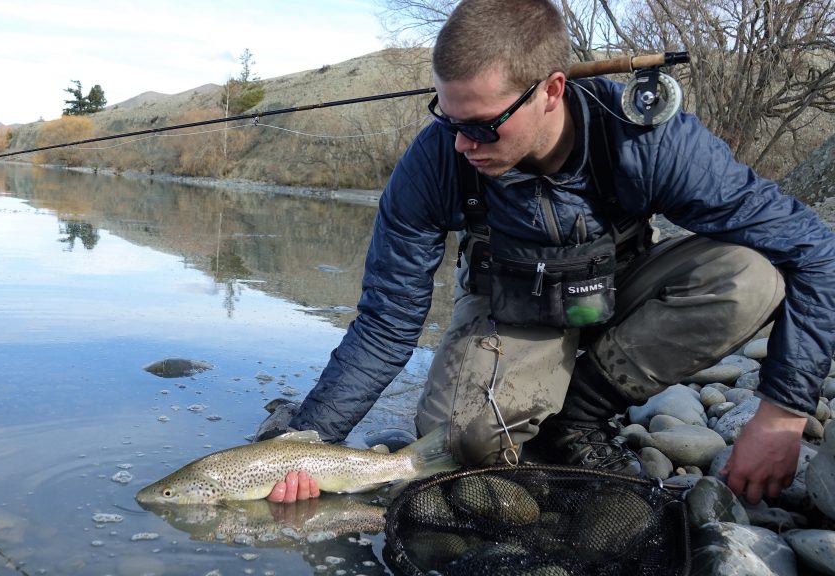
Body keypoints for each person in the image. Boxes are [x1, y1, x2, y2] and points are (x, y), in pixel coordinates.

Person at [261, 0, 835, 505]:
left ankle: (579, 415)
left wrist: (783, 410)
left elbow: (815, 250)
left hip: (615, 297)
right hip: (511, 307)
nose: (463, 144)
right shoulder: (436, 162)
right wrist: (308, 444)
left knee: (751, 275)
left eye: (484, 127)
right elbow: (388, 324)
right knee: (461, 441)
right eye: (448, 118)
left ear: (552, 91)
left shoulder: (649, 140)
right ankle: (544, 402)